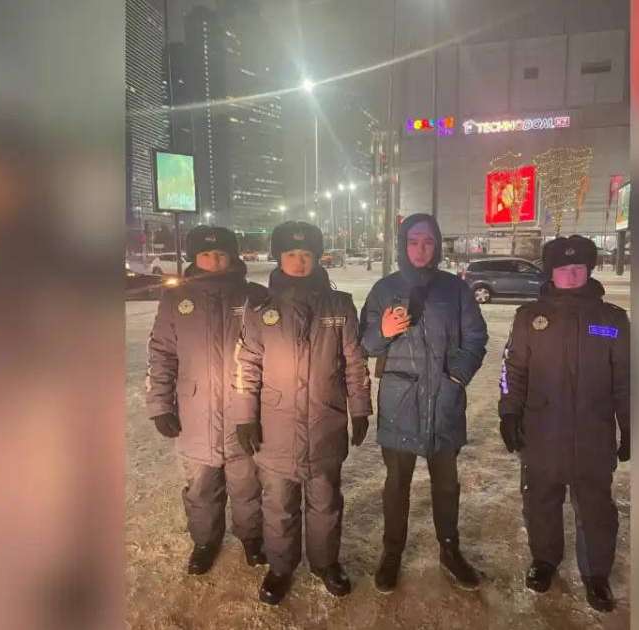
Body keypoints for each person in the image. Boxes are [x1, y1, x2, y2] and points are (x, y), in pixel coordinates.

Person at [229, 221, 372, 605]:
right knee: (279, 505)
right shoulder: (261, 309)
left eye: (306, 255)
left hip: (325, 424)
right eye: (291, 255)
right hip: (276, 429)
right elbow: (247, 364)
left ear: (317, 258)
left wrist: (359, 408)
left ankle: (326, 563)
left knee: (325, 502)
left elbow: (355, 362)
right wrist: (245, 414)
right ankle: (281, 566)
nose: (299, 262)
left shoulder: (339, 306)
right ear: (278, 257)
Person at [498, 235, 630, 611]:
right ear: (550, 273)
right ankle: (544, 559)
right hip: (541, 431)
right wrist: (509, 411)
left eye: (578, 268)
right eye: (562, 269)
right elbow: (513, 370)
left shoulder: (612, 321)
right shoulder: (530, 318)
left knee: (596, 507)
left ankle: (596, 574)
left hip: (593, 433)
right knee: (540, 500)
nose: (571, 276)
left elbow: (626, 380)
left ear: (589, 269)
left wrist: (631, 424)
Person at [358, 213, 489, 593]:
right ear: (403, 244)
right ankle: (392, 552)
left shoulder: (456, 290)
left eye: (428, 241)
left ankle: (450, 550)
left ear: (437, 244)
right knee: (396, 484)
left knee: (446, 485)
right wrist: (382, 332)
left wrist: (456, 377)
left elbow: (476, 338)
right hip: (400, 402)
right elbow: (364, 343)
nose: (421, 248)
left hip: (445, 403)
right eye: (414, 241)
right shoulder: (384, 289)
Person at [146, 226, 269, 574]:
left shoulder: (253, 296)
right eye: (205, 254)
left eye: (220, 254)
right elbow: (161, 354)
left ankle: (252, 538)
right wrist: (160, 404)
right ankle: (205, 540)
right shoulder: (176, 299)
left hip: (244, 413)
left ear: (232, 256)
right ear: (194, 258)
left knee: (247, 483)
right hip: (194, 414)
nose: (213, 261)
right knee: (201, 487)